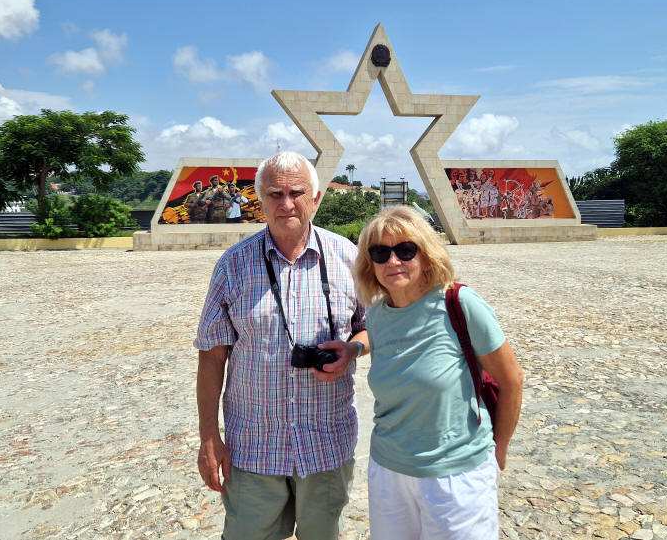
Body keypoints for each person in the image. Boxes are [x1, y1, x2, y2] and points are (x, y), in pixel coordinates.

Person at [195, 151, 368, 540]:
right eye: (275, 194)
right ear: (260, 200)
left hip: (327, 443)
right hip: (254, 447)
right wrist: (209, 436)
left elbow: (369, 328)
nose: (286, 203)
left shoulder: (347, 257)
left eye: (296, 193)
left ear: (316, 198)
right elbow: (212, 357)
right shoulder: (233, 265)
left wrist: (352, 350)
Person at [353, 205, 524, 540]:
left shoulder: (459, 304)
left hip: (455, 475)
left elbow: (512, 379)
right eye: (380, 253)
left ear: (426, 254)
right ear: (369, 263)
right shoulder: (376, 316)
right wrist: (351, 349)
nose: (393, 261)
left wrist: (499, 447)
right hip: (388, 472)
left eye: (406, 250)